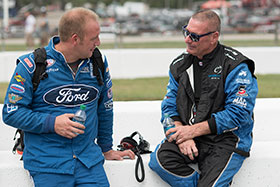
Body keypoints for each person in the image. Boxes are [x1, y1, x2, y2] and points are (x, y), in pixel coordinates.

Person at [2, 7, 134, 187]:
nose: (99, 42)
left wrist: (106, 148)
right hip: (47, 165)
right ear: (75, 39)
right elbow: (11, 112)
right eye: (94, 38)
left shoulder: (98, 63)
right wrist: (53, 123)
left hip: (89, 164)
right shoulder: (31, 65)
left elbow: (105, 109)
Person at [149, 9, 258, 187]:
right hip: (191, 136)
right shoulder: (179, 65)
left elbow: (238, 114)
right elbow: (168, 107)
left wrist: (191, 131)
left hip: (227, 141)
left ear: (214, 37)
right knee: (159, 161)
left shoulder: (236, 66)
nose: (187, 39)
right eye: (186, 32)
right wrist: (181, 135)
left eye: (194, 36)